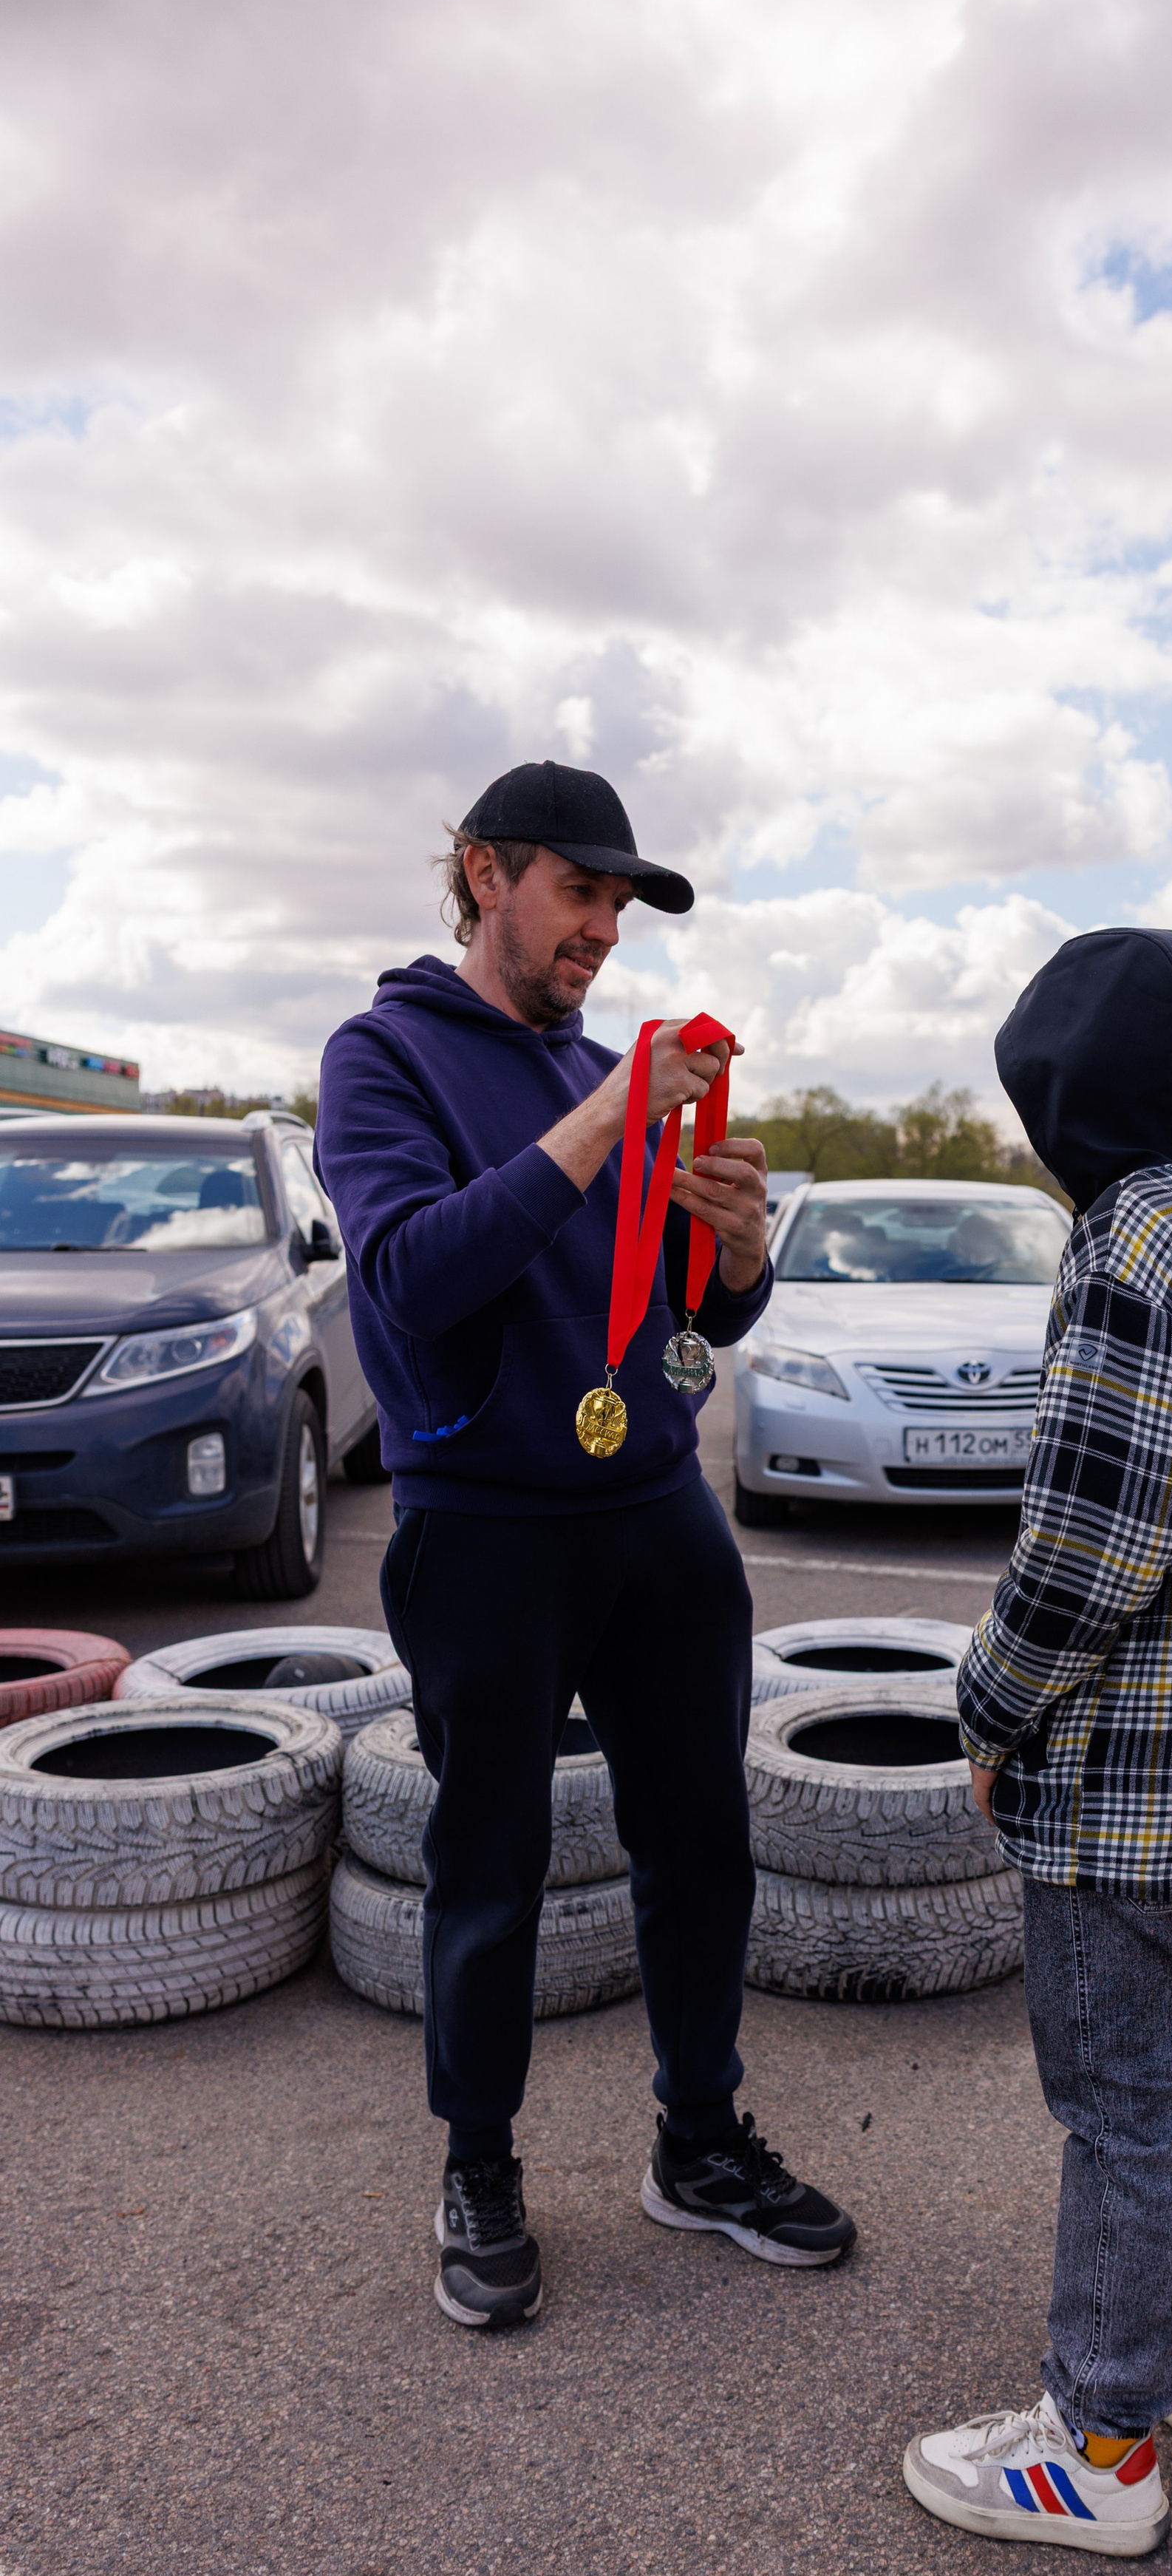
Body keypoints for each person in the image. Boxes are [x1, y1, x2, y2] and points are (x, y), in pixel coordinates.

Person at [317, 759, 854, 2331]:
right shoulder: (385, 1055)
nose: (604, 928)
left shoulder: (613, 1071)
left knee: (702, 1840)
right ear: (484, 872)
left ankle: (697, 2140)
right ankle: (478, 2163)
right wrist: (603, 1115)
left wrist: (740, 1250)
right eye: (580, 890)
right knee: (486, 1860)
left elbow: (693, 1315)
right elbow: (411, 1280)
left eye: (621, 902)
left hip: (654, 1511)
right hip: (483, 1522)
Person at [903, 928, 1172, 2560]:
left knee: (1126, 2101)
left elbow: (1091, 1537)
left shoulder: (1123, 1240)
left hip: (1130, 1794)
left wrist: (990, 1705)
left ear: (1055, 1090)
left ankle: (1097, 2440)